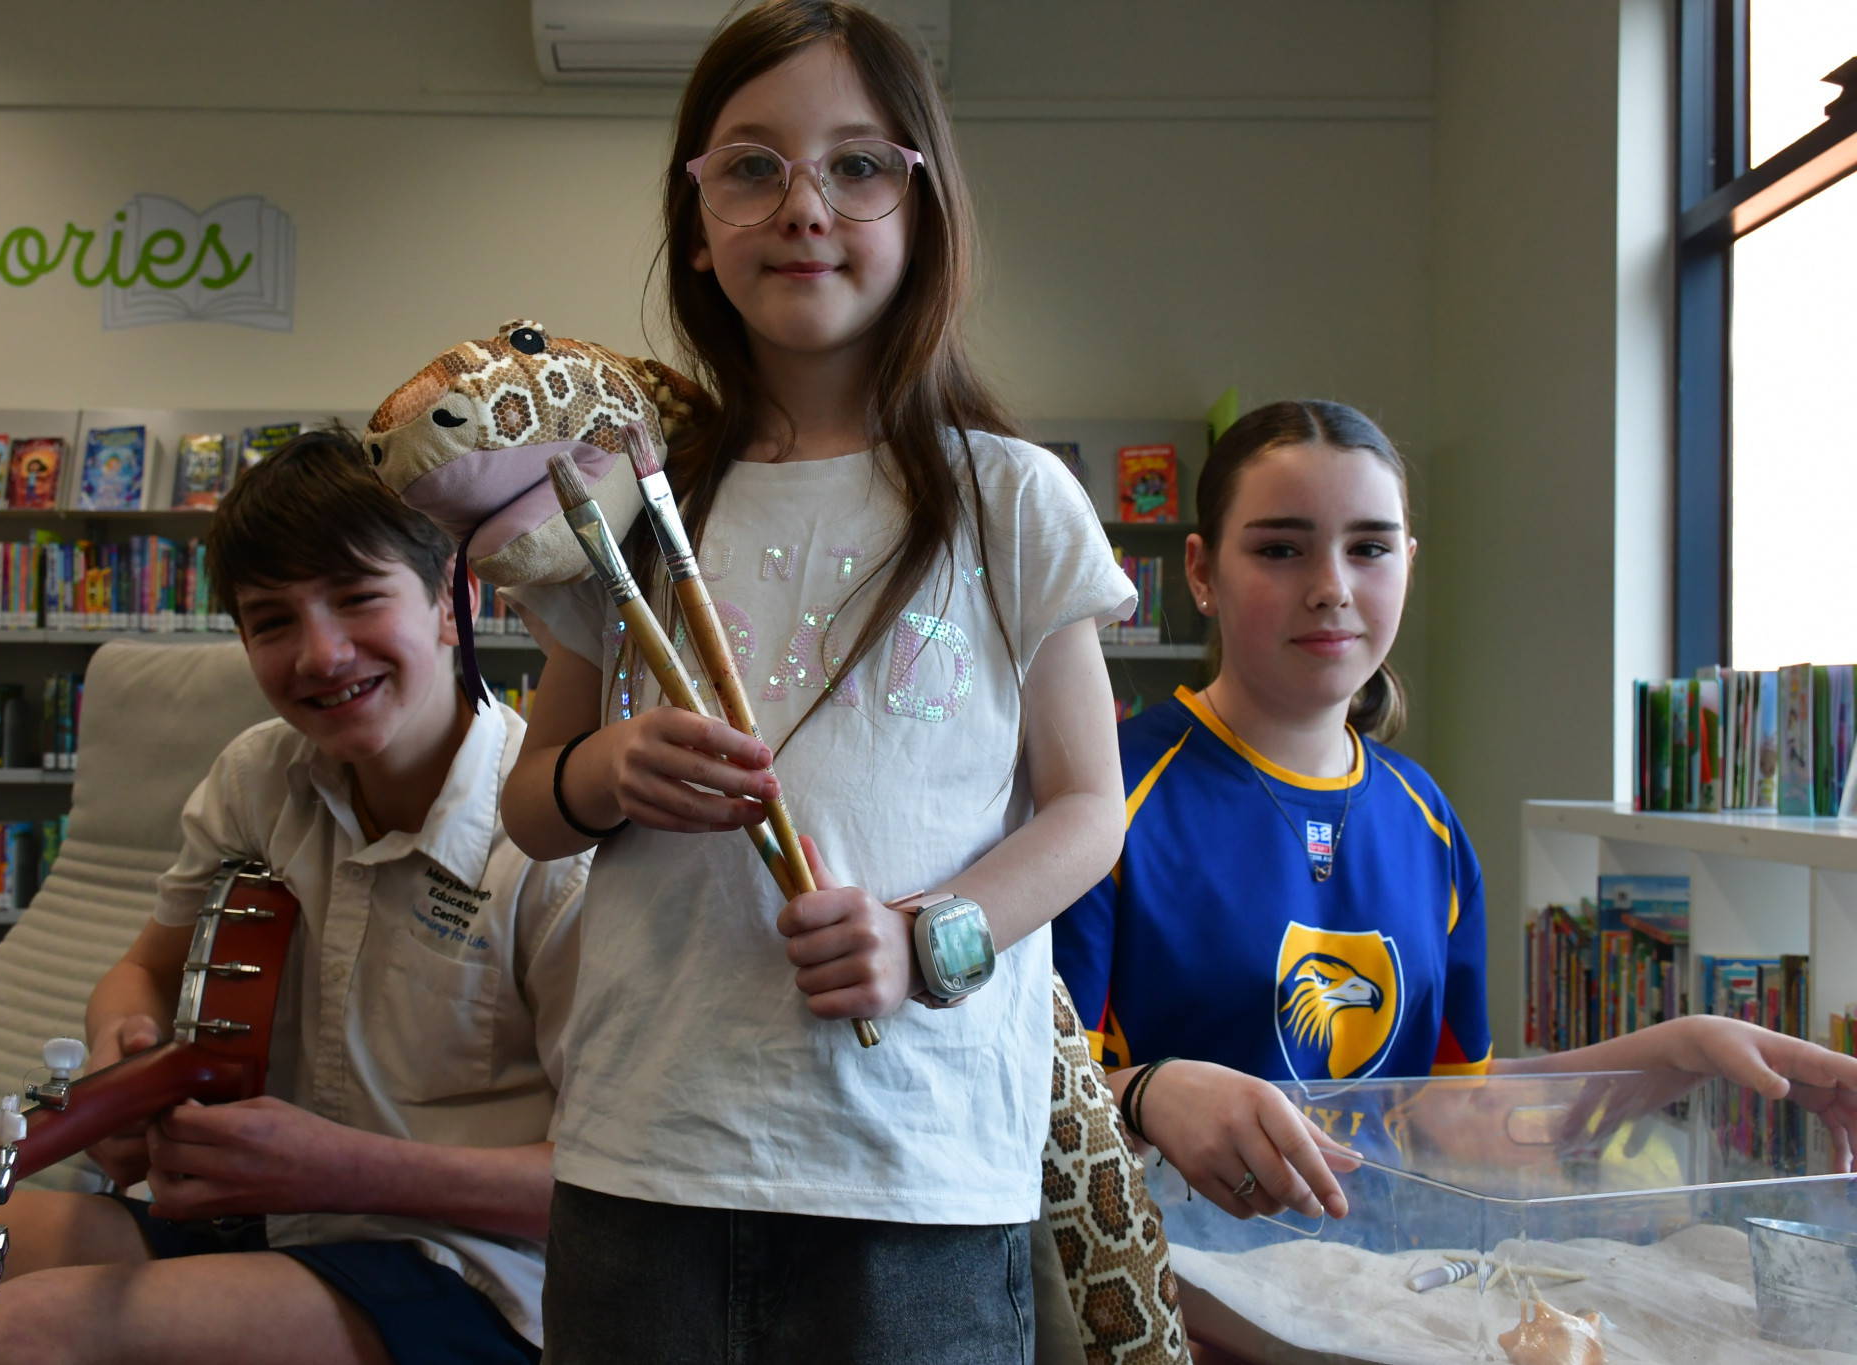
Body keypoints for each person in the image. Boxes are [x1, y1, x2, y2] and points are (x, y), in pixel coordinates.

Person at [500, 3, 1133, 1360]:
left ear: (926, 203)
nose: (804, 205)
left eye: (857, 164)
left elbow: (1090, 810)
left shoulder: (1009, 499)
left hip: (916, 1168)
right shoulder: (626, 502)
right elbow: (530, 806)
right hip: (643, 1154)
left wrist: (928, 938)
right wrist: (603, 774)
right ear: (695, 220)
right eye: (750, 165)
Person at [0, 430, 586, 1365]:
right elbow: (141, 970)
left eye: (357, 598)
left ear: (454, 601)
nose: (322, 654)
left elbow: (624, 1187)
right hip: (252, 1218)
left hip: (468, 1272)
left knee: (23, 1335)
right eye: (271, 621)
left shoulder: (559, 836)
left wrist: (341, 1168)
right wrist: (119, 1057)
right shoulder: (258, 777)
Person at [1053, 398, 1857, 1227]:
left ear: (1408, 560)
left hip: (1369, 1304)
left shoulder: (1425, 818)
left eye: (1368, 548)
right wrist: (1146, 1094)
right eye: (1281, 549)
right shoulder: (1105, 793)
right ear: (1200, 571)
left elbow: (1451, 1115)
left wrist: (1682, 1049)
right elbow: (1027, 1103)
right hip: (1166, 1313)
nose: (1331, 588)